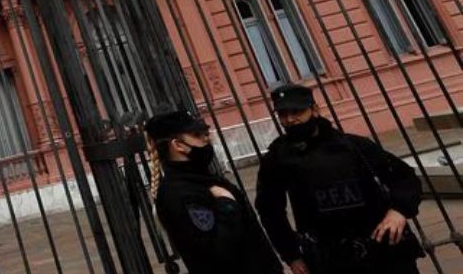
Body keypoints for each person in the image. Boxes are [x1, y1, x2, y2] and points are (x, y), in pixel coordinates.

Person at [255, 84, 424, 274]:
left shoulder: (353, 145)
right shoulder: (276, 159)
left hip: (383, 250)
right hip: (330, 259)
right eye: (283, 114)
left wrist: (399, 211)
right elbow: (270, 212)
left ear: (315, 110)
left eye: (297, 111)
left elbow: (404, 176)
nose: (290, 119)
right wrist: (292, 256)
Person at [145, 110, 282, 274]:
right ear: (178, 145)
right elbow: (217, 251)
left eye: (205, 133)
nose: (206, 139)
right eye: (197, 135)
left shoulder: (202, 178)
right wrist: (227, 205)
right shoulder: (179, 192)